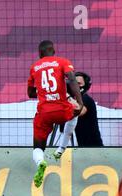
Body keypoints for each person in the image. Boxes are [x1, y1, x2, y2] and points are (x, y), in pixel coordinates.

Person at [27, 40, 83, 187]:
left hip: (45, 112)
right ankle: (61, 149)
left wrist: (42, 91)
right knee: (75, 113)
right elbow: (71, 78)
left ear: (40, 53)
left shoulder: (34, 67)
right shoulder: (62, 62)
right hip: (62, 109)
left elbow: (30, 93)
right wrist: (79, 101)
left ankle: (40, 162)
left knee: (38, 145)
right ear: (54, 50)